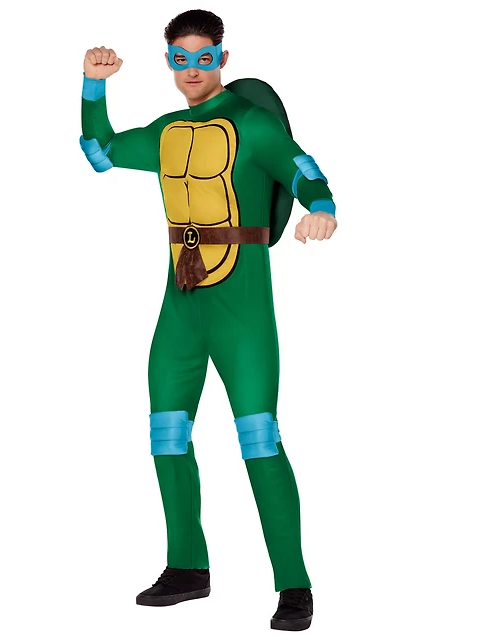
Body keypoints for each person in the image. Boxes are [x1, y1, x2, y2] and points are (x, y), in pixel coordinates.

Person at [79, 9, 337, 632]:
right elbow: (100, 153)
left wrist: (322, 208)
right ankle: (187, 567)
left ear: (222, 58)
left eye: (203, 57)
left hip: (241, 304)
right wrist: (93, 85)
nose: (192, 70)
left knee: (260, 439)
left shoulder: (252, 123)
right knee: (166, 434)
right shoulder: (167, 131)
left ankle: (294, 583)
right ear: (168, 62)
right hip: (181, 302)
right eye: (180, 59)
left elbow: (305, 170)